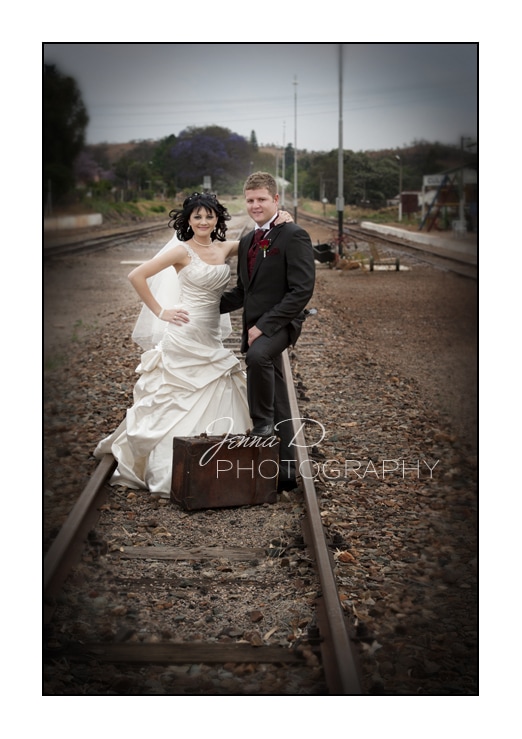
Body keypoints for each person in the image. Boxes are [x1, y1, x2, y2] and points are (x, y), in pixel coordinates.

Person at [94, 192, 293, 497]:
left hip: (210, 336)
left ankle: (220, 465)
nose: (203, 222)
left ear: (217, 219)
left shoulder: (226, 247)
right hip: (184, 334)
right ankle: (171, 466)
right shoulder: (181, 251)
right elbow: (137, 275)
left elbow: (261, 239)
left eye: (209, 216)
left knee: (219, 387)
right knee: (178, 397)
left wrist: (281, 219)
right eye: (197, 216)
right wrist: (161, 311)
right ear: (188, 220)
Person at [220, 172, 316, 492]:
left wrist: (263, 326)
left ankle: (262, 425)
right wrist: (203, 306)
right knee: (276, 392)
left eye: (262, 199)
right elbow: (243, 292)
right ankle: (286, 470)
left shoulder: (294, 235)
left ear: (276, 200)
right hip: (257, 324)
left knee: (258, 357)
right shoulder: (249, 240)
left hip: (282, 322)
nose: (255, 205)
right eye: (250, 200)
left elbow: (301, 291)